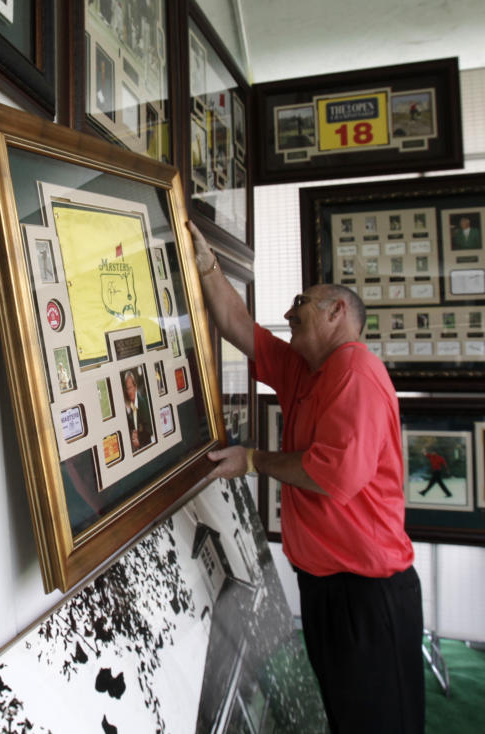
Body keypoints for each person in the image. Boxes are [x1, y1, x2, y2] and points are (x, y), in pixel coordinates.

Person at [186, 220, 423, 733]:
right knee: (347, 714)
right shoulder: (303, 366)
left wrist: (254, 460)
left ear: (338, 312)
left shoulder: (355, 373)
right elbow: (237, 324)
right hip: (325, 589)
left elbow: (333, 475)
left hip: (368, 594)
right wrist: (206, 264)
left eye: (302, 301)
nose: (290, 311)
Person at [122, 369, 152, 451]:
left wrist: (139, 441)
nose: (129, 391)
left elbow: (149, 430)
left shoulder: (142, 403)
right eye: (127, 389)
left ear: (135, 387)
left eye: (130, 387)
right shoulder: (131, 407)